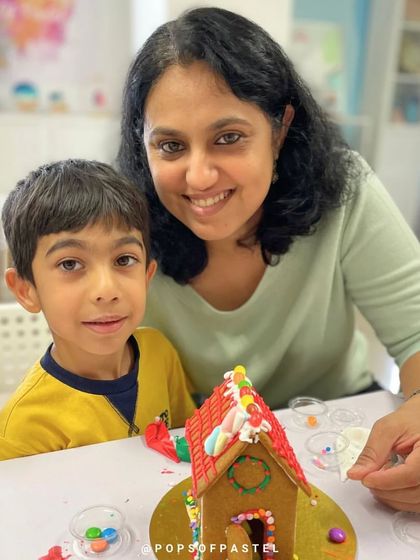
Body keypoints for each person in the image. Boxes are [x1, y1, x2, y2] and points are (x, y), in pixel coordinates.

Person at [117, 7, 420, 512]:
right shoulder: (121, 225)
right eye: (170, 146)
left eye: (228, 138)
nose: (198, 177)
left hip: (342, 437)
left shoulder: (343, 190)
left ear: (280, 129)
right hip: (189, 458)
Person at [0, 159, 195, 460]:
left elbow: (188, 439)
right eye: (70, 264)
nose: (106, 290)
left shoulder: (160, 353)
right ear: (26, 290)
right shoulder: (24, 428)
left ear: (146, 276)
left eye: (123, 260)